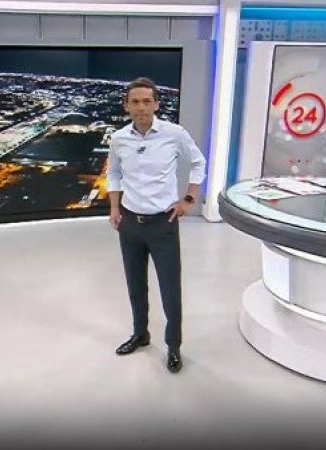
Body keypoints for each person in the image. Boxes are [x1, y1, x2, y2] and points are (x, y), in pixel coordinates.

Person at [106, 77, 207, 373]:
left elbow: (198, 162)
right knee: (135, 285)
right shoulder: (119, 139)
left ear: (156, 105)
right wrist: (114, 207)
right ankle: (140, 334)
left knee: (170, 289)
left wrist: (189, 199)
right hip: (129, 224)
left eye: (147, 101)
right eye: (135, 102)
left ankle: (173, 346)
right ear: (126, 106)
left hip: (163, 223)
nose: (141, 107)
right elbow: (113, 173)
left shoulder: (174, 134)